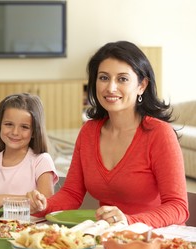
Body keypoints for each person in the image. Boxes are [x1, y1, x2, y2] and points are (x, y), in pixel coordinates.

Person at [27, 41, 189, 229]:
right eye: (103, 78)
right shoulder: (89, 131)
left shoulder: (159, 134)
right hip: (108, 237)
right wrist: (44, 205)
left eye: (122, 79)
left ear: (142, 85)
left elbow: (178, 207)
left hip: (157, 239)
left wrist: (128, 221)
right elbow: (72, 194)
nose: (110, 88)